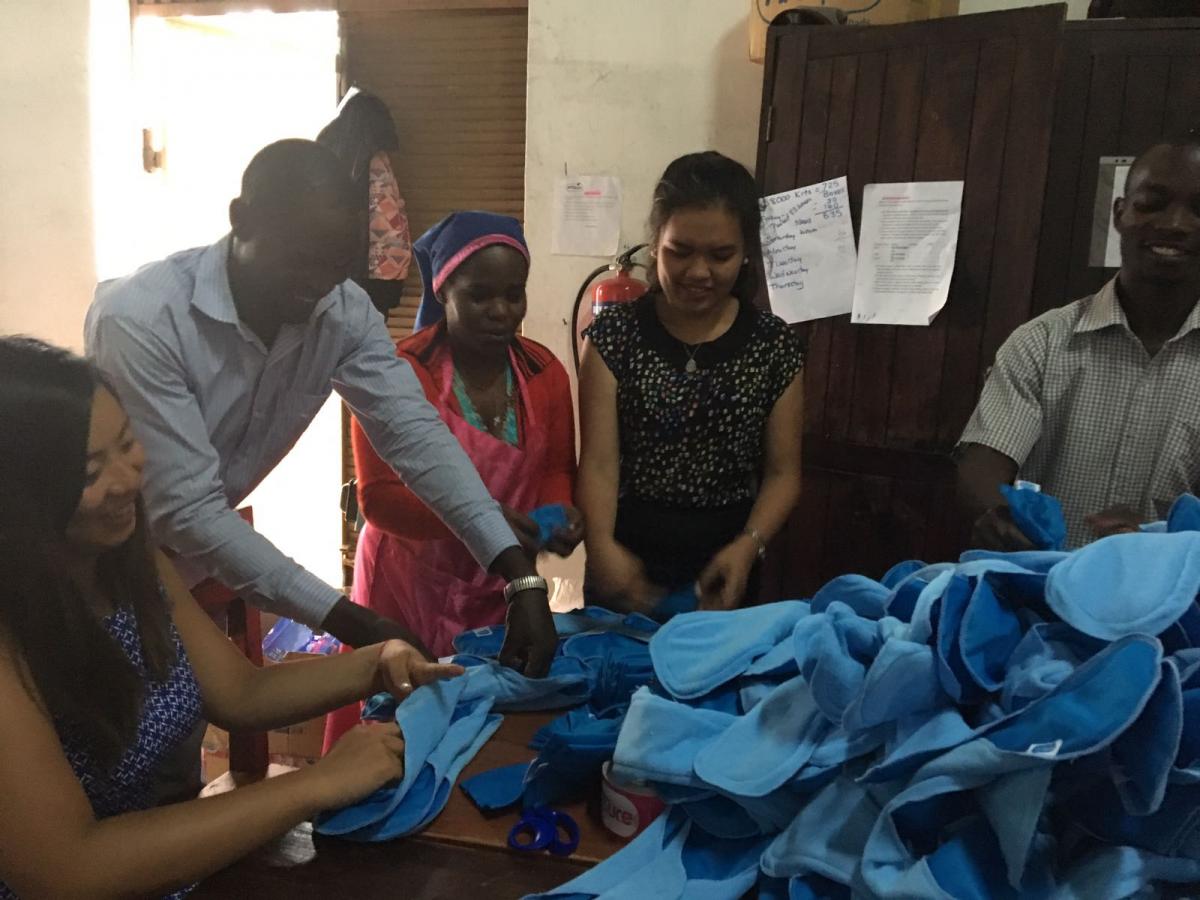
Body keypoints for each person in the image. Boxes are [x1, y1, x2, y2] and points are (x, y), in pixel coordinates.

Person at [0, 337, 463, 899]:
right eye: (91, 470)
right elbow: (70, 867)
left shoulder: (125, 560)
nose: (127, 479)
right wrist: (317, 783)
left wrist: (377, 664)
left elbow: (240, 692)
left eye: (127, 445)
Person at [85, 139, 556, 674]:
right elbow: (188, 511)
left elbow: (415, 435)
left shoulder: (339, 310)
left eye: (336, 262)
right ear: (241, 220)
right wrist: (351, 621)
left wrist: (520, 575)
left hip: (175, 574)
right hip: (81, 575)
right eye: (300, 257)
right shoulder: (142, 321)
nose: (316, 283)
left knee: (173, 729)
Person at [324, 212, 583, 752]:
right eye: (480, 296)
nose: (502, 311)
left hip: (498, 587)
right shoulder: (400, 372)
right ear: (443, 293)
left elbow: (556, 466)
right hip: (407, 582)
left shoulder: (543, 372)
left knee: (480, 734)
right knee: (390, 733)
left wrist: (559, 510)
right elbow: (379, 500)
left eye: (515, 295)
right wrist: (485, 519)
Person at [577, 151, 805, 615]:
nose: (698, 272)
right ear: (654, 242)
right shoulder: (614, 337)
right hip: (626, 551)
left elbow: (784, 474)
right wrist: (599, 547)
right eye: (679, 252)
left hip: (728, 559)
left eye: (721, 255)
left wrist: (749, 546)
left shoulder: (774, 345)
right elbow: (599, 464)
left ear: (745, 255)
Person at [958, 132, 1200, 551]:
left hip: (1171, 603)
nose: (1174, 224)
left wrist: (1157, 541)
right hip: (1041, 588)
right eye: (1151, 203)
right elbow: (982, 462)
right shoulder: (1043, 341)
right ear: (1120, 213)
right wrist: (997, 513)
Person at [316, 89, 412, 316]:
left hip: (334, 261)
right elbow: (387, 222)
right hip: (378, 271)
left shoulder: (328, 153)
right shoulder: (376, 161)